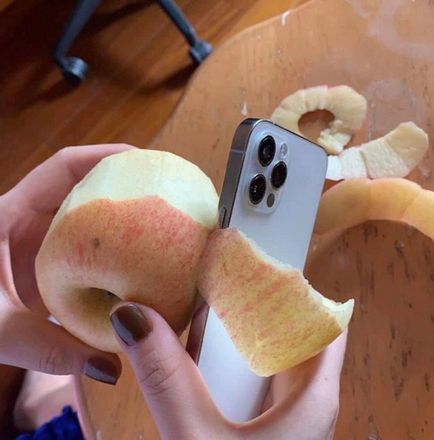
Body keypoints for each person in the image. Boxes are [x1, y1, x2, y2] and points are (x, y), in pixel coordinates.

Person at [1, 144, 348, 439]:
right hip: (82, 292)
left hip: (69, 291)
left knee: (47, 408)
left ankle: (34, 406)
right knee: (58, 407)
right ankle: (37, 404)